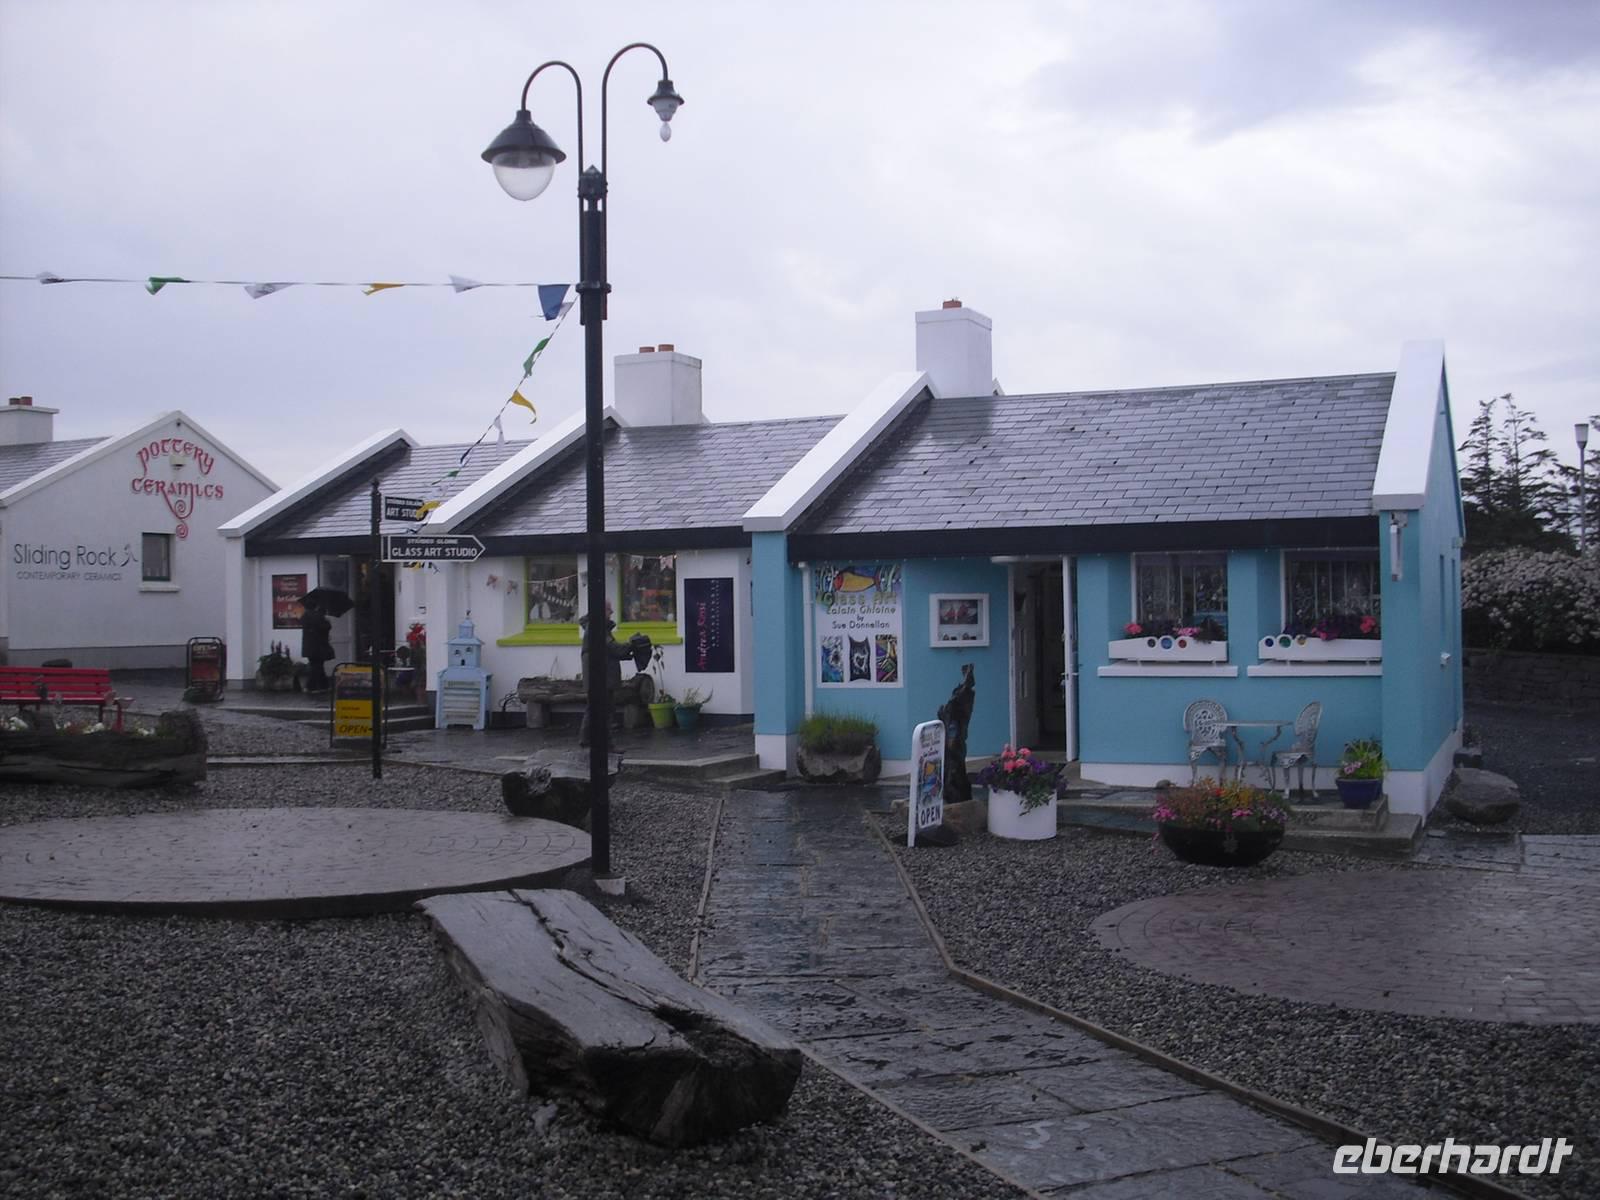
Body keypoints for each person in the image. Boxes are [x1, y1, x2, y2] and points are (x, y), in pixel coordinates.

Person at [300, 599, 334, 693]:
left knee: (317, 665)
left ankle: (324, 685)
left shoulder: (305, 616)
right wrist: (326, 620)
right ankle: (311, 686)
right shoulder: (317, 616)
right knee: (317, 666)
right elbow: (326, 627)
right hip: (318, 646)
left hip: (309, 646)